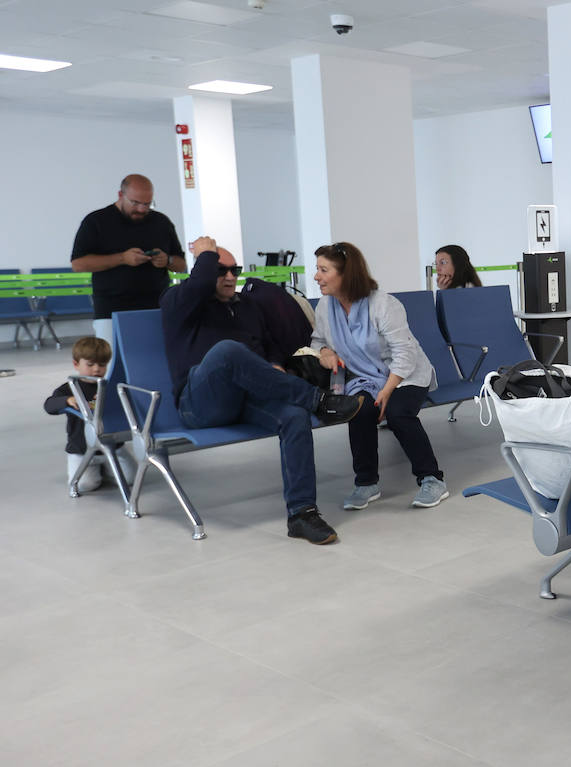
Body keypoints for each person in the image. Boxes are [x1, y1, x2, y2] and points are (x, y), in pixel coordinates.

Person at [162, 236, 363, 545]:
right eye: (220, 270)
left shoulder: (246, 307)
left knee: (294, 416)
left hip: (244, 399)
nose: (230, 277)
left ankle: (302, 513)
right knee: (227, 351)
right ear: (202, 270)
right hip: (200, 404)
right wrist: (204, 254)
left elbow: (266, 346)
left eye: (235, 269)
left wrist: (273, 364)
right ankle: (319, 400)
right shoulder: (179, 302)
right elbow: (199, 284)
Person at [313, 242, 449, 510]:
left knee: (398, 413)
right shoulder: (324, 308)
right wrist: (325, 351)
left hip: (405, 374)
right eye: (317, 269)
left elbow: (404, 353)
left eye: (323, 270)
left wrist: (387, 390)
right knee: (359, 409)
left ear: (345, 274)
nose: (316, 276)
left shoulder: (384, 305)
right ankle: (366, 483)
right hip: (364, 377)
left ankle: (432, 479)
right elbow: (317, 341)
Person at [71, 174, 187, 344]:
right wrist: (122, 259)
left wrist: (167, 260)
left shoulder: (161, 222)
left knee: (153, 360)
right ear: (120, 195)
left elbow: (181, 264)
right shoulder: (96, 221)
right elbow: (78, 264)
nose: (141, 209)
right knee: (111, 362)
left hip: (156, 306)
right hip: (111, 309)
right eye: (135, 203)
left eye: (147, 204)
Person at [42, 336, 134, 493]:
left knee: (130, 479)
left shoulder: (110, 387)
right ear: (76, 364)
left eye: (102, 365)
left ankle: (107, 468)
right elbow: (49, 405)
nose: (97, 369)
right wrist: (67, 400)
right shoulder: (70, 388)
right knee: (86, 485)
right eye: (90, 365)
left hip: (113, 445)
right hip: (81, 449)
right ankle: (98, 470)